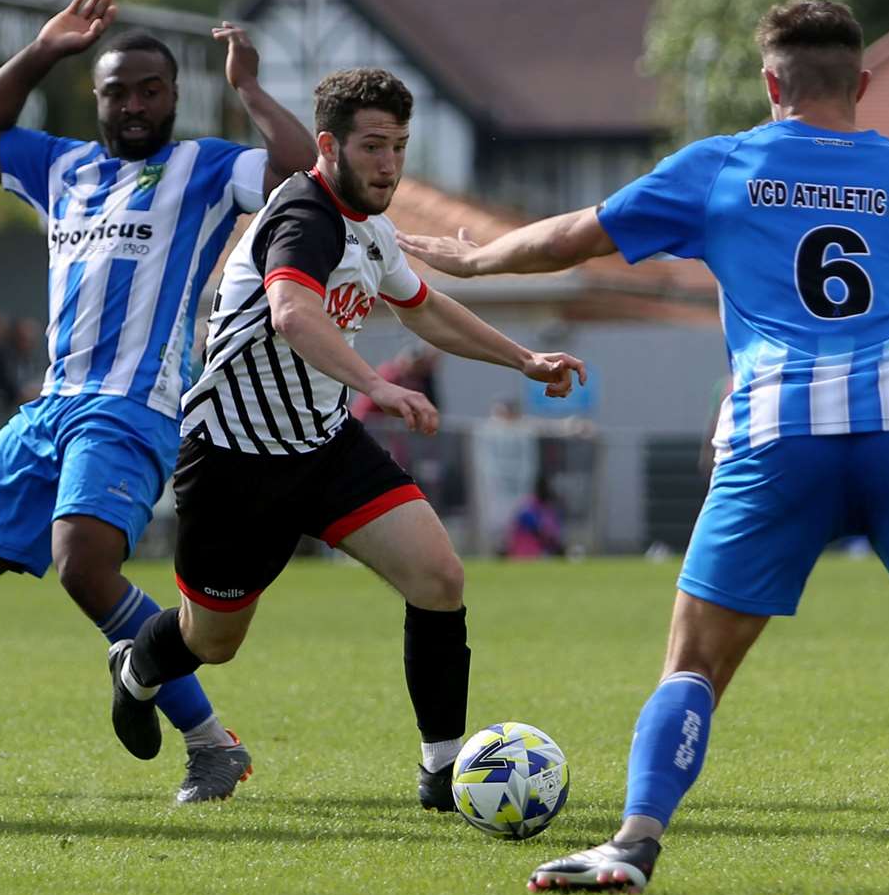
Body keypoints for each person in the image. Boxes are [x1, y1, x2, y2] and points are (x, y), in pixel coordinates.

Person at [398, 0, 889, 892]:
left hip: (775, 437)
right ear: (861, 83)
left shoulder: (724, 165)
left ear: (770, 84)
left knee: (693, 664)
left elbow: (572, 236)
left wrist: (472, 260)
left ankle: (632, 843)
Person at [0, 0, 317, 802]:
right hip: (50, 407)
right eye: (118, 90)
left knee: (83, 563)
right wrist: (44, 49)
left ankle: (211, 742)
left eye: (150, 89)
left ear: (173, 96)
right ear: (97, 97)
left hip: (132, 405)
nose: (135, 103)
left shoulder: (206, 167)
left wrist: (251, 93)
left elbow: (301, 170)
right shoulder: (62, 166)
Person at [107, 67, 586, 811]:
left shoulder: (371, 226)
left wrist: (525, 359)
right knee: (213, 642)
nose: (389, 163)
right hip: (235, 461)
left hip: (323, 448)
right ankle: (136, 669)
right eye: (372, 146)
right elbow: (293, 314)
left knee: (439, 579)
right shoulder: (304, 215)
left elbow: (424, 309)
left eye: (398, 145)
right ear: (327, 145)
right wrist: (377, 384)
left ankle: (442, 772)